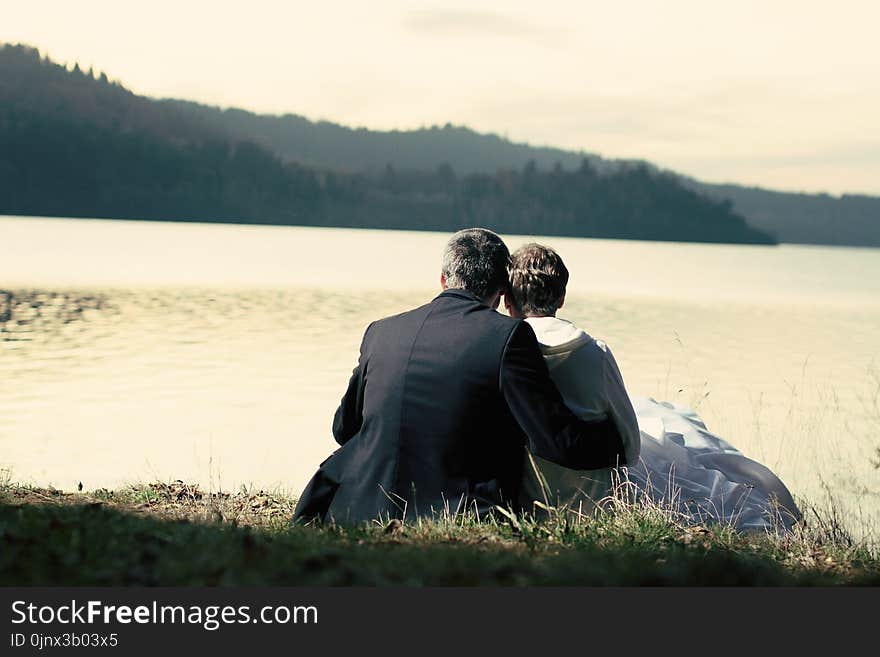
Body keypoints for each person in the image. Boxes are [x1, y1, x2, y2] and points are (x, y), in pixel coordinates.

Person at [293, 228, 628, 525]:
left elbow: (343, 429)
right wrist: (617, 441)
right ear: (501, 290)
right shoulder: (508, 336)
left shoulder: (381, 331)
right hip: (454, 510)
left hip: (359, 504)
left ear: (442, 279)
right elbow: (556, 442)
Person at [505, 243, 801, 532]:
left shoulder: (503, 353)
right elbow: (630, 446)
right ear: (561, 298)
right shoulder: (594, 352)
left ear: (509, 302)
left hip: (528, 499)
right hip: (596, 501)